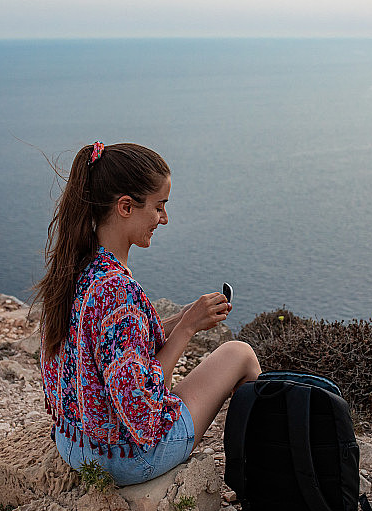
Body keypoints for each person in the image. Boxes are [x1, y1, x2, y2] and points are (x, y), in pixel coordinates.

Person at [34, 141, 262, 486]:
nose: (164, 219)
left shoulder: (79, 265)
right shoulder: (118, 292)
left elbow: (112, 347)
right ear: (126, 206)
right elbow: (143, 412)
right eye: (159, 207)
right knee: (239, 353)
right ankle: (261, 475)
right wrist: (185, 329)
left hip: (74, 443)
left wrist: (182, 319)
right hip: (125, 459)